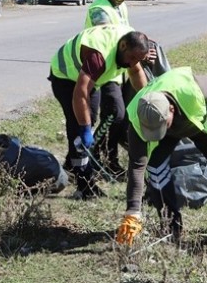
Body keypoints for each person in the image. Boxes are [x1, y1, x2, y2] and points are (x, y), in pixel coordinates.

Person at [116, 67, 207, 246]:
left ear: (172, 110)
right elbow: (136, 167)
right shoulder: (139, 120)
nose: (155, 133)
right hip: (169, 130)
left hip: (197, 121)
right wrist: (132, 212)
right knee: (155, 171)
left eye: (161, 126)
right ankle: (171, 228)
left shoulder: (189, 90)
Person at [48, 25, 151, 199]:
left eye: (137, 59)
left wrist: (148, 100)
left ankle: (73, 167)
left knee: (90, 116)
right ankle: (84, 187)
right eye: (131, 58)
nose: (132, 63)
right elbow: (80, 93)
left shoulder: (131, 45)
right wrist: (85, 128)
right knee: (78, 129)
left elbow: (136, 71)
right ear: (123, 46)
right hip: (66, 76)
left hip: (89, 79)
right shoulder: (98, 57)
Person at [84, 0, 135, 178]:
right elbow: (109, 38)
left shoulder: (121, 6)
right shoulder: (99, 10)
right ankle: (95, 152)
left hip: (118, 70)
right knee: (115, 113)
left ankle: (107, 158)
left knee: (120, 117)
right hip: (102, 69)